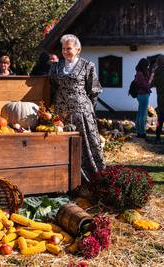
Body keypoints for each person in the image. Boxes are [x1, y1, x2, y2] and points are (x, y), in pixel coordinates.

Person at [49, 34, 105, 182]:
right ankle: (64, 180)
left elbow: (94, 91)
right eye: (63, 49)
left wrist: (89, 110)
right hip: (62, 115)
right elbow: (53, 87)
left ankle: (92, 179)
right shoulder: (55, 67)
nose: (66, 52)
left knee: (85, 146)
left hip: (81, 113)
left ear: (78, 49)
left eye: (69, 48)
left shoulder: (88, 66)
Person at [134, 58, 153, 138]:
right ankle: (142, 132)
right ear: (144, 65)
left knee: (140, 113)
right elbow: (145, 85)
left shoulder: (139, 73)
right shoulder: (140, 74)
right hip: (143, 95)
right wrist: (151, 79)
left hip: (141, 95)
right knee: (143, 114)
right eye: (147, 65)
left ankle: (139, 131)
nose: (148, 66)